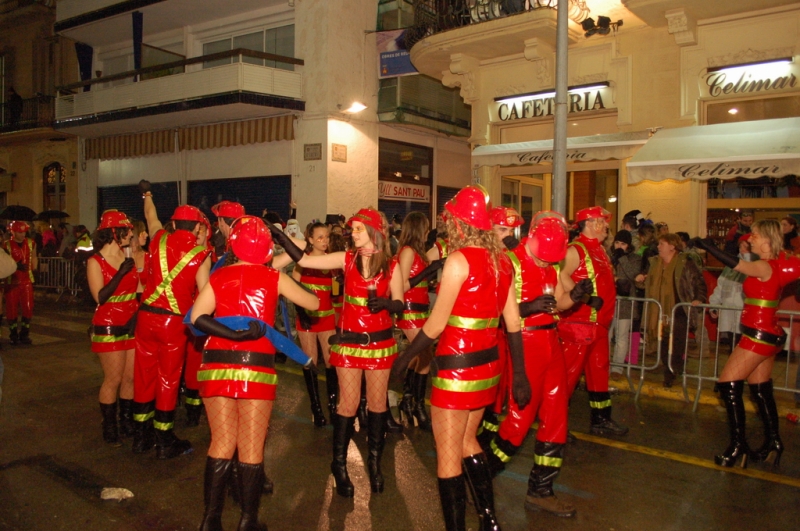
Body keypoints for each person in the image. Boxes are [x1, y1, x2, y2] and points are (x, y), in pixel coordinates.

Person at [391, 185, 530, 531]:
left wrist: (403, 359)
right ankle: (489, 520)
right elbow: (513, 323)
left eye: (450, 218)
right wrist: (521, 375)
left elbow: (436, 325)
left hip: (456, 369)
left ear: (459, 222)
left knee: (448, 454)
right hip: (489, 367)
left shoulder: (458, 260)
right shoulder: (503, 260)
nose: (446, 224)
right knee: (469, 441)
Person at [191, 215, 318, 531]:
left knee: (221, 443)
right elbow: (313, 303)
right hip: (255, 368)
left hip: (215, 365)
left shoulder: (219, 277)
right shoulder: (274, 277)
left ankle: (210, 519)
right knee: (250, 446)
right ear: (266, 247)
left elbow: (197, 317)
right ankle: (247, 520)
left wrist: (231, 335)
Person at [272, 207, 404, 497]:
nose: (352, 233)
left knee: (378, 405)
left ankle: (375, 464)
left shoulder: (392, 265)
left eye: (358, 229)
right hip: (348, 343)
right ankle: (339, 464)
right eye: (352, 229)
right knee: (348, 404)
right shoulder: (346, 259)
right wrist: (283, 239)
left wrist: (386, 305)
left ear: (373, 232)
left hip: (380, 344)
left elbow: (400, 302)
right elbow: (305, 260)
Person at [485, 212, 589, 518]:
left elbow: (559, 302)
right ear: (530, 238)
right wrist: (528, 308)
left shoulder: (551, 265)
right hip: (525, 345)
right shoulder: (508, 263)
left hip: (550, 344)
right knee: (519, 420)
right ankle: (479, 478)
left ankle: (541, 490)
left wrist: (576, 296)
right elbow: (493, 310)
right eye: (543, 257)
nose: (545, 263)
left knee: (557, 419)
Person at [693, 221, 800, 468]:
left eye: (756, 235)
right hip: (768, 334)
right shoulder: (781, 263)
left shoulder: (764, 265)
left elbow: (736, 264)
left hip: (758, 336)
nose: (750, 239)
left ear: (767, 240)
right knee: (760, 389)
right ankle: (774, 442)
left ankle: (738, 446)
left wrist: (710, 247)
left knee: (728, 384)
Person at [132, 180, 212, 459]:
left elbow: (150, 215)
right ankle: (164, 438)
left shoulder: (157, 238)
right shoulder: (201, 255)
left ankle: (140, 437)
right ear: (198, 228)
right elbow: (204, 296)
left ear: (175, 225)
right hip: (173, 324)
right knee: (168, 378)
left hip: (145, 318)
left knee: (143, 375)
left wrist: (148, 194)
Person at [559, 207, 627, 436]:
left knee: (599, 372)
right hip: (580, 325)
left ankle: (601, 419)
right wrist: (585, 298)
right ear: (589, 223)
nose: (606, 225)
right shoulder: (575, 249)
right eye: (602, 221)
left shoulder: (599, 251)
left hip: (598, 325)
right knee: (568, 376)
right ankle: (556, 426)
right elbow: (561, 276)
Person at [86, 211, 138, 446]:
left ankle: (127, 421)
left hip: (131, 321)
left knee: (130, 378)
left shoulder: (131, 256)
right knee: (113, 379)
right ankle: (109, 426)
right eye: (126, 230)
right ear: (114, 232)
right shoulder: (95, 261)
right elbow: (100, 296)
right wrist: (120, 273)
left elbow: (138, 291)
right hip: (109, 324)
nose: (131, 234)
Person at [477, 206, 523, 441]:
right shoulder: (478, 257)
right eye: (502, 229)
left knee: (498, 390)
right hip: (476, 338)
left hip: (502, 334)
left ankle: (486, 436)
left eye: (512, 230)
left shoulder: (510, 258)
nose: (508, 235)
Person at [394, 212, 442, 431]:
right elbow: (401, 286)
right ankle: (418, 406)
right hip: (410, 312)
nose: (427, 233)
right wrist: (428, 272)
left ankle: (408, 399)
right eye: (424, 228)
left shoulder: (418, 253)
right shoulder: (407, 251)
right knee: (424, 356)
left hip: (421, 311)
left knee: (418, 357)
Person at [643, 233, 707, 388]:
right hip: (658, 309)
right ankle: (669, 369)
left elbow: (698, 281)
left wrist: (699, 298)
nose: (658, 247)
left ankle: (673, 370)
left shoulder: (685, 262)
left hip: (678, 308)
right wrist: (640, 279)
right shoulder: (654, 263)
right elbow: (647, 284)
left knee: (676, 342)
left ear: (672, 246)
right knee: (664, 342)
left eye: (662, 244)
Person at [292, 222, 337, 427]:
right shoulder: (303, 262)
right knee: (310, 362)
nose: (324, 240)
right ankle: (316, 408)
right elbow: (293, 288)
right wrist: (302, 313)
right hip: (307, 320)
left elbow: (337, 290)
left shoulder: (332, 261)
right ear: (309, 240)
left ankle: (333, 404)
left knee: (331, 361)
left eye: (326, 236)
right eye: (319, 237)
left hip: (327, 318)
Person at [708, 235, 755, 350]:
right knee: (732, 343)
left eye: (745, 247)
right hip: (728, 310)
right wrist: (714, 304)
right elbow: (721, 286)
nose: (742, 250)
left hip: (744, 312)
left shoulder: (754, 266)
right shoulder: (730, 267)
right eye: (740, 247)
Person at [610, 230, 642, 379]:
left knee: (621, 336)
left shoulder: (635, 258)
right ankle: (604, 363)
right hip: (610, 300)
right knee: (606, 335)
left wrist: (622, 258)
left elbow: (632, 275)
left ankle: (617, 368)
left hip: (625, 302)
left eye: (623, 244)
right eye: (617, 242)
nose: (619, 246)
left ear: (628, 246)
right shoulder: (609, 257)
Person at [3, 221, 37, 345]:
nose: (22, 234)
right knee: (11, 308)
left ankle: (24, 333)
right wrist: (14, 265)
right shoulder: (6, 245)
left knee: (28, 307)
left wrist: (35, 268)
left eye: (24, 232)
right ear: (13, 232)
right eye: (19, 232)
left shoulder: (31, 243)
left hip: (26, 280)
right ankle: (13, 334)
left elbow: (34, 256)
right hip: (12, 281)